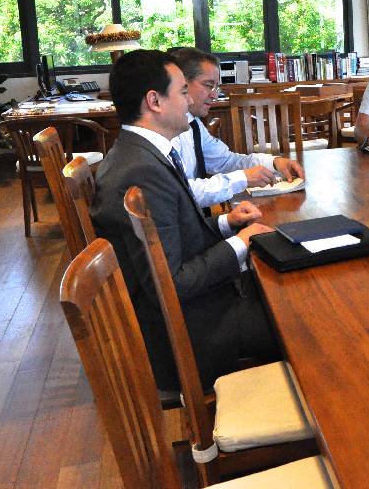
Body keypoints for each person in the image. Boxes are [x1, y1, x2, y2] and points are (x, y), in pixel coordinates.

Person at [91, 49, 281, 390]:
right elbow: (173, 281)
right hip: (190, 334)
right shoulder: (141, 172)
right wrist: (241, 243)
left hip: (194, 310)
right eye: (181, 91)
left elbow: (171, 238)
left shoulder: (141, 153)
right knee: (303, 317)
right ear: (154, 101)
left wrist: (227, 224)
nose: (188, 101)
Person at [168, 47, 305, 207]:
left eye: (216, 87)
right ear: (181, 83)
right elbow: (178, 194)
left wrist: (274, 162)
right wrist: (242, 179)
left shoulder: (194, 123)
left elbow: (226, 161)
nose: (214, 95)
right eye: (208, 85)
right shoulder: (167, 131)